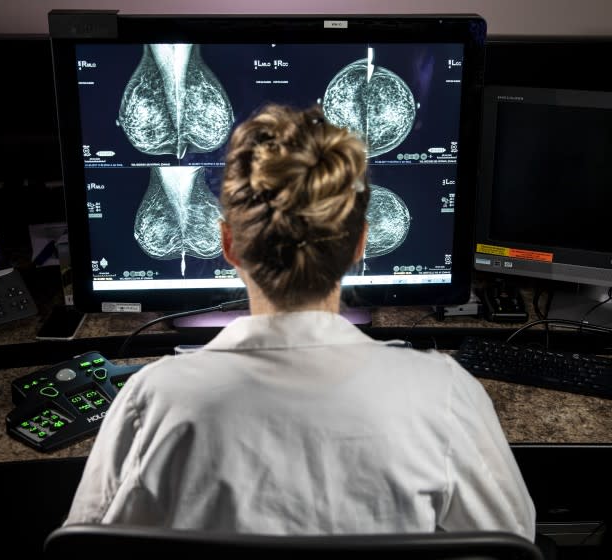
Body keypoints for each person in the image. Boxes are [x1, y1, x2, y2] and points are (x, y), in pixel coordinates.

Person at [64, 104, 536, 541]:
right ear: (360, 245)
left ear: (228, 244)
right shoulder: (445, 394)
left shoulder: (153, 399)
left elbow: (87, 548)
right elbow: (511, 543)